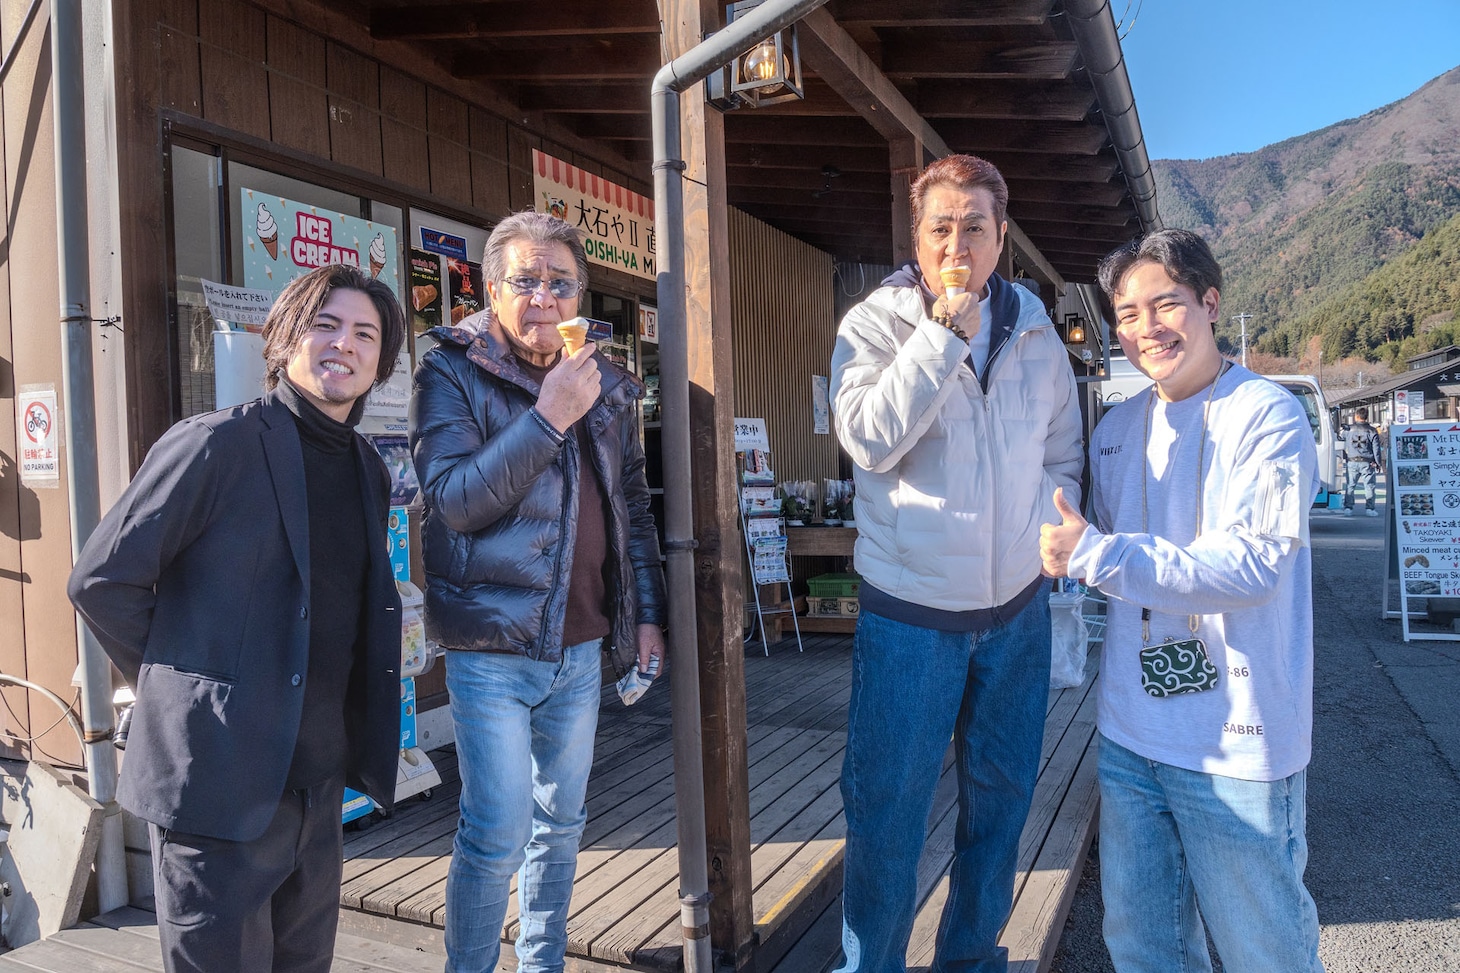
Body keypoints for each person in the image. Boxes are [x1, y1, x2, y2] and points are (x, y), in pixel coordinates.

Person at [68, 264, 408, 973]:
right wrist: (188, 686)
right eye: (326, 324)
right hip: (216, 782)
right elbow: (103, 579)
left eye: (365, 332)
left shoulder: (369, 470)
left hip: (318, 786)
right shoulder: (215, 444)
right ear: (285, 337)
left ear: (382, 359)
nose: (343, 343)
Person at [1039, 228, 1324, 972]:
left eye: (1165, 304)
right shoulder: (1117, 428)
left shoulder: (1269, 415)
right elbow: (1077, 533)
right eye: (1126, 314)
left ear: (1209, 302)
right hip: (1132, 735)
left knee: (1266, 950)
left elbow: (1255, 564)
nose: (1144, 328)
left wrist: (1096, 554)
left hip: (1239, 737)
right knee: (1142, 945)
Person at [828, 154, 1083, 973]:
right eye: (941, 226)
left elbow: (1063, 452)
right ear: (917, 234)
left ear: (1001, 236)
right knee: (887, 819)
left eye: (975, 226)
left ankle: (971, 960)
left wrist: (1048, 535)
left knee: (1001, 811)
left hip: (1017, 614)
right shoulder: (874, 325)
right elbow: (867, 437)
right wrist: (940, 336)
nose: (957, 243)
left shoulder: (1038, 328)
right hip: (910, 615)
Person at [409, 211, 666, 973]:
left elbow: (633, 504)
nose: (545, 298)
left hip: (581, 645)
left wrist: (648, 612)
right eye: (526, 281)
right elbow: (453, 499)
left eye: (561, 282)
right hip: (490, 645)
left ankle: (542, 962)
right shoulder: (451, 368)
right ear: (492, 291)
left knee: (562, 821)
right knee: (496, 828)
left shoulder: (608, 379)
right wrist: (551, 414)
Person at [1342, 408, 1383, 517]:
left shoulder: (1348, 430)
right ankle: (1370, 508)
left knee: (1350, 485)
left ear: (1356, 416)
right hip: (1367, 462)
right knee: (1369, 486)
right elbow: (1376, 448)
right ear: (1367, 417)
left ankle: (1348, 508)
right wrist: (1378, 463)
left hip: (1352, 461)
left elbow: (1340, 439)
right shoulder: (1372, 431)